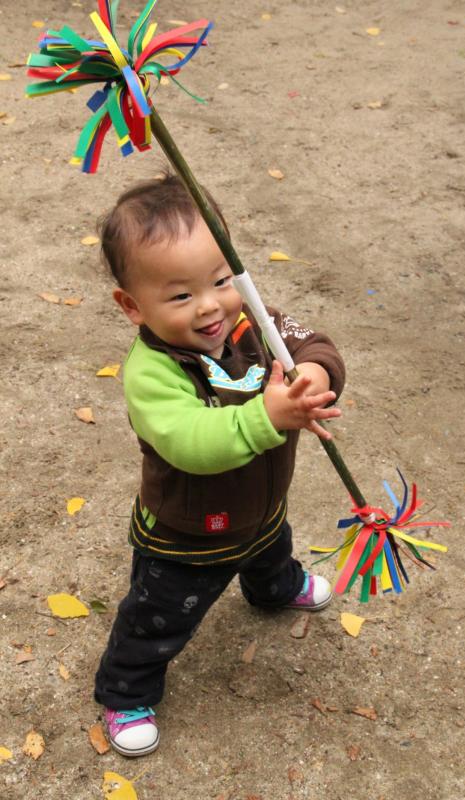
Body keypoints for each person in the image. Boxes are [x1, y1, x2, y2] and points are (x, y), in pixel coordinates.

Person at [93, 173, 345, 757]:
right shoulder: (151, 373)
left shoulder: (251, 318)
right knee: (157, 618)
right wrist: (268, 418)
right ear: (132, 306)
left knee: (269, 546)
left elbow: (313, 342)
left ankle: (275, 588)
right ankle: (125, 689)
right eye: (180, 296)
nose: (210, 305)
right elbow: (191, 442)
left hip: (261, 505)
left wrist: (317, 375)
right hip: (188, 532)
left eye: (221, 280)